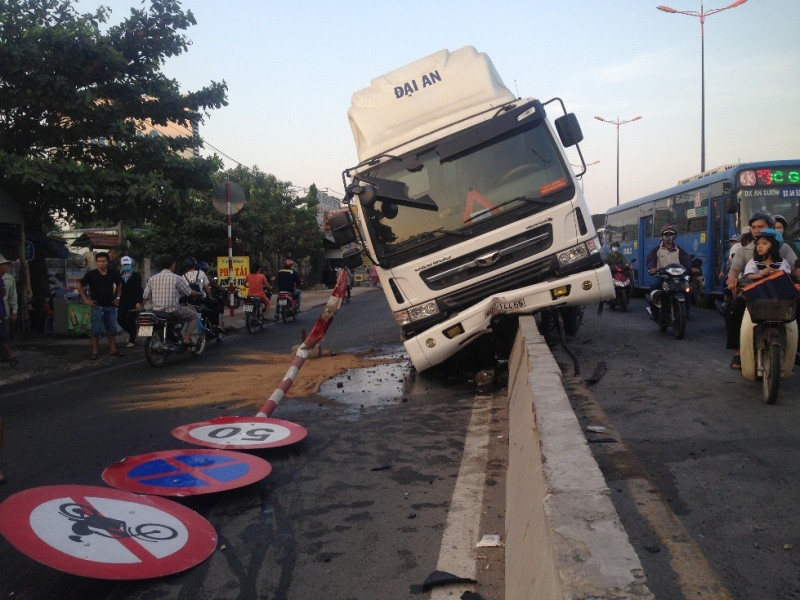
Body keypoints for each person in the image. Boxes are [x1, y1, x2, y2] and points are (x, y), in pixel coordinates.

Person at [725, 211, 798, 369]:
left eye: (761, 227)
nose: (756, 230)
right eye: (753, 227)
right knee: (733, 309)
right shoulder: (744, 251)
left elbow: (795, 268)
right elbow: (734, 269)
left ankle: (795, 349)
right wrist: (732, 279)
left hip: (779, 295)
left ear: (771, 228)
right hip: (752, 294)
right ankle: (737, 352)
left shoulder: (783, 248)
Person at [142, 254, 201, 346]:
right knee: (194, 316)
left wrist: (143, 307)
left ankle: (162, 337)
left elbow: (145, 296)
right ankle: (186, 338)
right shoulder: (177, 278)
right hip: (172, 309)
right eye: (174, 264)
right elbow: (188, 292)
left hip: (156, 310)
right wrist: (198, 294)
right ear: (172, 265)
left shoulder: (152, 279)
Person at [77, 251, 123, 360]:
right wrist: (86, 299)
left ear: (107, 262)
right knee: (95, 330)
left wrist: (117, 298)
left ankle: (113, 350)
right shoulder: (91, 274)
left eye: (103, 261)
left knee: (111, 329)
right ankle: (94, 352)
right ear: (96, 262)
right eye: (99, 261)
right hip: (96, 307)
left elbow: (119, 284)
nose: (101, 263)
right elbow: (79, 285)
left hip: (110, 306)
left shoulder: (113, 273)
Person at [646, 224, 693, 319]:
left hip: (678, 276)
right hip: (662, 276)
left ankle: (686, 311)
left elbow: (686, 259)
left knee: (688, 289)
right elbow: (651, 259)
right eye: (666, 235)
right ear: (662, 237)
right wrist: (652, 268)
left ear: (674, 237)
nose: (668, 238)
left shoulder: (678, 249)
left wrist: (691, 267)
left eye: (670, 235)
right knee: (654, 287)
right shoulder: (657, 250)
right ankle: (654, 312)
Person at [183, 257, 222, 336]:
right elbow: (206, 287)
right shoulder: (200, 274)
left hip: (189, 301)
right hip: (201, 299)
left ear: (186, 267)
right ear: (195, 265)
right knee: (215, 304)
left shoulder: (183, 277)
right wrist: (210, 296)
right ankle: (216, 325)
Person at [117, 256, 143, 348]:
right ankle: (132, 333)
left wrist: (138, 302)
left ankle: (132, 340)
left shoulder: (136, 276)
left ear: (131, 264)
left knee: (132, 320)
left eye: (128, 264)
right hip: (123, 301)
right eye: (124, 265)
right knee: (120, 319)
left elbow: (139, 290)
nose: (126, 266)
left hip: (133, 301)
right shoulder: (120, 276)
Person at [0, 254, 18, 365]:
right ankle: (10, 355)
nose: (6, 266)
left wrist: (14, 311)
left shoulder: (9, 279)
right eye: (4, 264)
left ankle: (9, 355)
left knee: (4, 336)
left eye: (6, 264)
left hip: (3, 311)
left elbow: (11, 296)